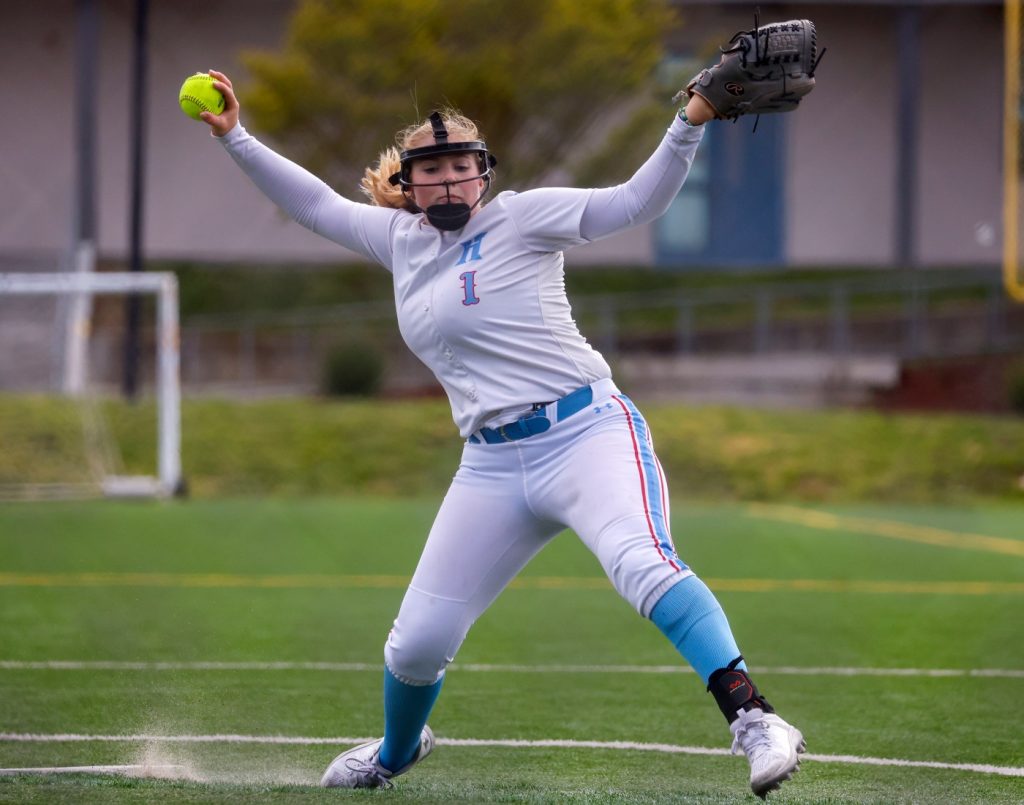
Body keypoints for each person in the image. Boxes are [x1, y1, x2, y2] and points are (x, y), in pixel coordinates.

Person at [198, 67, 806, 799]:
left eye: (463, 167)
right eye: (434, 170)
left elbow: (636, 202)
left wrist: (693, 119)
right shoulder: (398, 239)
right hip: (490, 464)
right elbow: (315, 205)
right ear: (410, 181)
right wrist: (237, 136)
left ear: (482, 174)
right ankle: (394, 751)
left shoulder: (520, 217)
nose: (451, 181)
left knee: (640, 564)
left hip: (585, 432)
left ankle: (755, 719)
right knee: (417, 643)